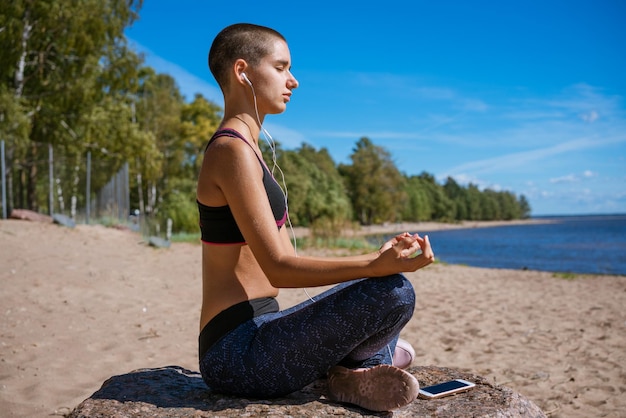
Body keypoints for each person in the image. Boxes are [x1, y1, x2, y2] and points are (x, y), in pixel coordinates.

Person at [196, 23, 435, 412]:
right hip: (236, 353)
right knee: (394, 291)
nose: (294, 81)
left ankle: (354, 369)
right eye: (281, 67)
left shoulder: (251, 150)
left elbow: (284, 268)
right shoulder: (230, 150)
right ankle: (356, 368)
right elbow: (279, 269)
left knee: (392, 293)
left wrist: (378, 264)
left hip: (264, 333)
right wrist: (373, 266)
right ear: (242, 72)